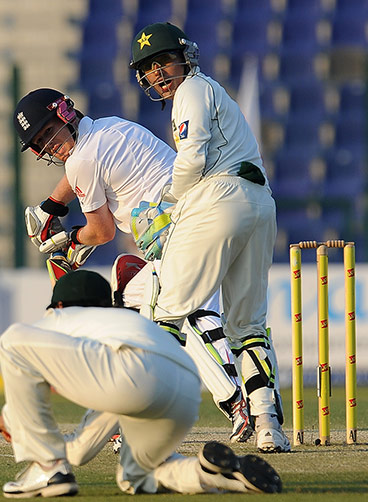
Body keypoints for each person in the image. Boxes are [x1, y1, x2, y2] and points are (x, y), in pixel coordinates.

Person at [13, 87, 253, 443]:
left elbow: (102, 231)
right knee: (129, 297)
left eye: (50, 132)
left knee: (188, 315)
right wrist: (51, 205)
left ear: (64, 114)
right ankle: (126, 416)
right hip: (208, 216)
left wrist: (67, 241)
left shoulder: (81, 161)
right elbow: (81, 169)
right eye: (41, 142)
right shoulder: (112, 126)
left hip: (183, 233)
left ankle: (238, 405)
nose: (50, 145)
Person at [128, 22, 290, 453]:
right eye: (149, 69)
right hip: (260, 203)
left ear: (185, 58)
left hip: (217, 198)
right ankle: (267, 423)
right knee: (248, 324)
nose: (158, 74)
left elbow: (192, 157)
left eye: (164, 62)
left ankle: (148, 422)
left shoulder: (191, 91)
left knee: (166, 313)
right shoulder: (207, 90)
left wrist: (166, 205)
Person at [0, 269, 282, 497]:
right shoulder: (119, 324)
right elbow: (79, 451)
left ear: (59, 305)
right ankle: (212, 474)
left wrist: (15, 418)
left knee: (11, 341)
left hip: (133, 374)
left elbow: (26, 359)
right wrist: (59, 449)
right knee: (135, 477)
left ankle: (47, 468)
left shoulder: (61, 317)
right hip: (183, 386)